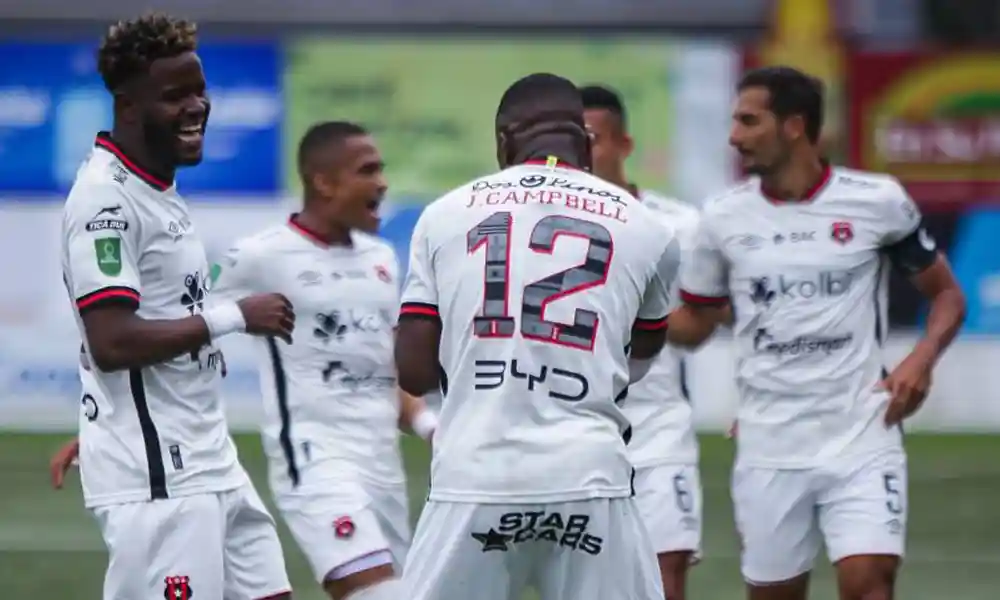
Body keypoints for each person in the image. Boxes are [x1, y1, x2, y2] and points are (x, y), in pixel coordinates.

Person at [667, 66, 966, 600]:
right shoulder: (720, 218)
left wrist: (920, 359)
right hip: (769, 443)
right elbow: (695, 323)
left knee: (868, 582)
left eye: (748, 121)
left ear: (794, 126)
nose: (733, 136)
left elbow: (947, 294)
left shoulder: (877, 201)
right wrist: (620, 321)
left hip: (861, 432)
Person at [395, 72, 680, 600]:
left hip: (476, 472)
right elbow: (641, 352)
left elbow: (412, 369)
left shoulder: (442, 215)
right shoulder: (651, 229)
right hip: (590, 474)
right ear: (586, 143)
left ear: (504, 140)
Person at [55, 13, 295, 600]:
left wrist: (100, 421)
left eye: (199, 90)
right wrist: (236, 315)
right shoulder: (103, 201)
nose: (197, 106)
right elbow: (112, 342)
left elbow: (155, 314)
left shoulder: (154, 186)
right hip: (161, 478)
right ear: (128, 107)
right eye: (175, 96)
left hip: (206, 456)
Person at [209, 121, 437, 600]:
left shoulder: (382, 259)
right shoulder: (260, 256)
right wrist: (115, 419)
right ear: (324, 181)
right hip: (315, 459)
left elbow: (382, 369)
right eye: (367, 170)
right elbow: (184, 323)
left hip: (383, 465)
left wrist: (428, 426)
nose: (382, 183)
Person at [581, 83, 703, 600]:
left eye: (595, 139)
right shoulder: (546, 225)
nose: (584, 153)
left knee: (665, 572)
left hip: (658, 427)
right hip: (581, 425)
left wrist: (639, 308)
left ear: (624, 145)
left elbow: (698, 329)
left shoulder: (678, 223)